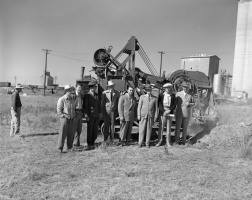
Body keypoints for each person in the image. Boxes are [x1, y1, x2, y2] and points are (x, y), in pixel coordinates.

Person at [156, 83, 176, 147]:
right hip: (163, 113)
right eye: (167, 88)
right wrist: (163, 111)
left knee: (168, 128)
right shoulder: (161, 95)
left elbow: (174, 104)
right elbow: (159, 104)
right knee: (161, 128)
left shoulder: (173, 95)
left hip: (169, 113)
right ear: (164, 89)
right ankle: (159, 141)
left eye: (169, 88)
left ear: (170, 88)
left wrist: (169, 110)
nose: (168, 89)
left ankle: (168, 142)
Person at [57, 85, 76, 153]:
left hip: (71, 118)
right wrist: (63, 116)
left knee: (70, 133)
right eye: (69, 90)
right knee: (63, 133)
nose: (71, 91)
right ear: (66, 91)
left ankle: (69, 147)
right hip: (64, 118)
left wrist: (73, 115)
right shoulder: (62, 99)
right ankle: (60, 148)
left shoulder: (72, 99)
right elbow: (59, 111)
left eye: (71, 90)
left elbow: (73, 108)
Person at [83, 81, 101, 147]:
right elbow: (85, 106)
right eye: (93, 87)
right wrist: (86, 115)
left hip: (96, 115)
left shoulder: (97, 95)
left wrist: (100, 113)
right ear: (90, 88)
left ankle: (93, 141)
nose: (94, 88)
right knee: (90, 129)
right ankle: (89, 143)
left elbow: (99, 105)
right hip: (90, 115)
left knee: (95, 129)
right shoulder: (87, 96)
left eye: (95, 87)